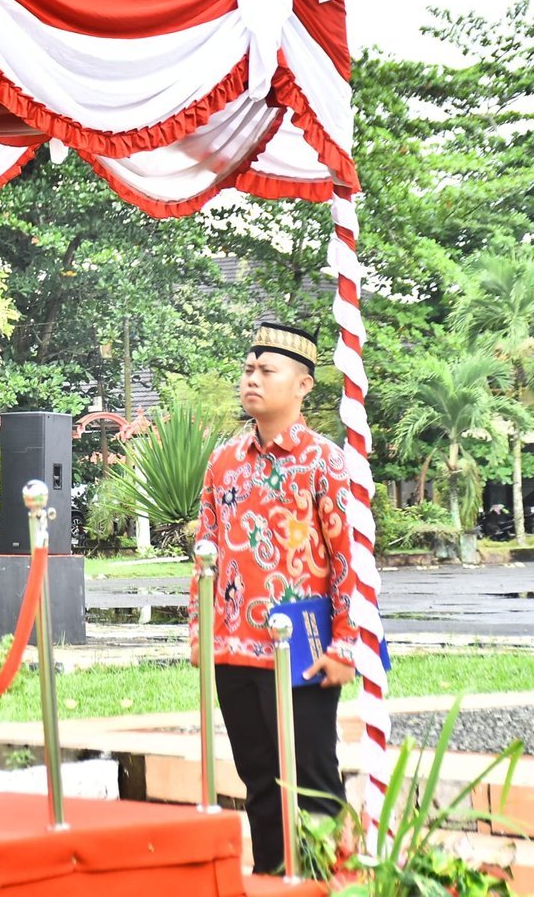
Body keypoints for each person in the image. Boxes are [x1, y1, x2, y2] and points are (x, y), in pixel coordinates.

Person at [189, 321, 363, 873]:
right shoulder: (223, 462)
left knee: (311, 782)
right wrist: (201, 632)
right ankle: (269, 879)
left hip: (303, 651)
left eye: (267, 371)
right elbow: (205, 553)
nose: (252, 379)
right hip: (234, 651)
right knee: (258, 782)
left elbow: (348, 560)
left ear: (304, 385)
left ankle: (327, 883)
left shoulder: (325, 462)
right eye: (248, 369)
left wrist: (346, 644)